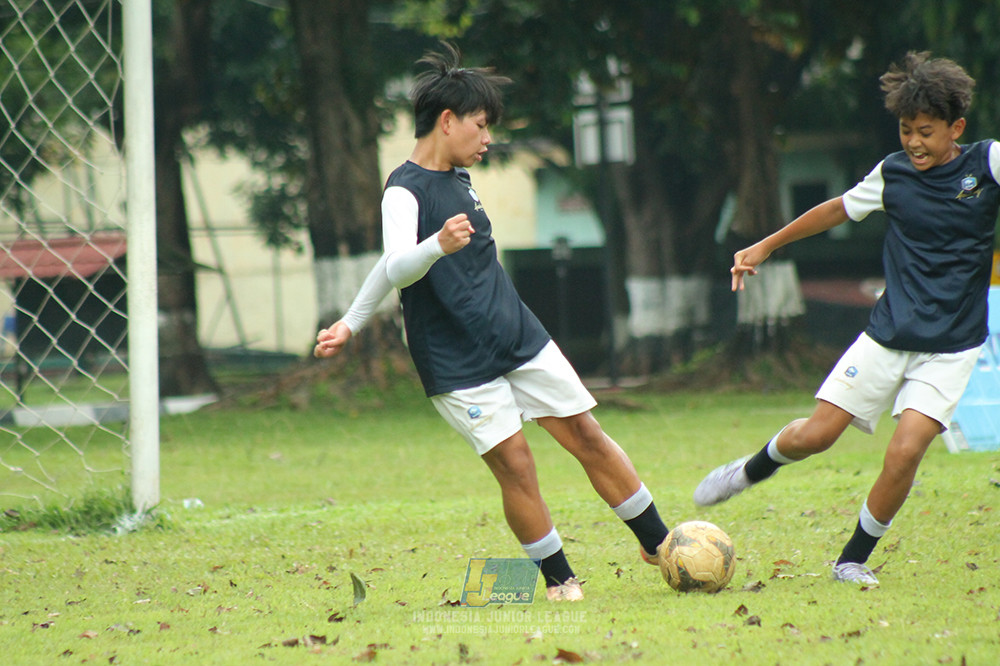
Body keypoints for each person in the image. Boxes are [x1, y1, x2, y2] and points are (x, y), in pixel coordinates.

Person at [314, 43, 670, 601]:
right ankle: (560, 581)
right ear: (447, 120)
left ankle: (661, 544)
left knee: (587, 435)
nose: (488, 139)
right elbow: (398, 267)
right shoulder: (403, 189)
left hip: (517, 333)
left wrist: (353, 320)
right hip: (454, 358)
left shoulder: (459, 177)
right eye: (481, 126)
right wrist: (359, 317)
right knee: (517, 465)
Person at [694, 51, 999, 585]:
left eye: (926, 132)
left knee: (905, 451)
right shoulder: (893, 173)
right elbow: (835, 208)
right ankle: (748, 470)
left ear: (957, 128)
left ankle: (851, 559)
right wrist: (765, 246)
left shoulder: (987, 163)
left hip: (952, 346)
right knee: (816, 436)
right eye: (906, 130)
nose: (914, 143)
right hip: (887, 335)